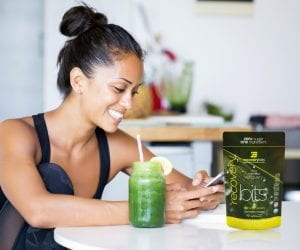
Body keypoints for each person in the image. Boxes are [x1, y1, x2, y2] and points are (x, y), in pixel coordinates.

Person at [0, 3, 224, 249]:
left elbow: (187, 191)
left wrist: (206, 191)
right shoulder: (15, 134)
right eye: (119, 88)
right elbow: (38, 210)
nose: (128, 103)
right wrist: (150, 210)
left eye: (134, 92)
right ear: (78, 81)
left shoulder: (119, 145)